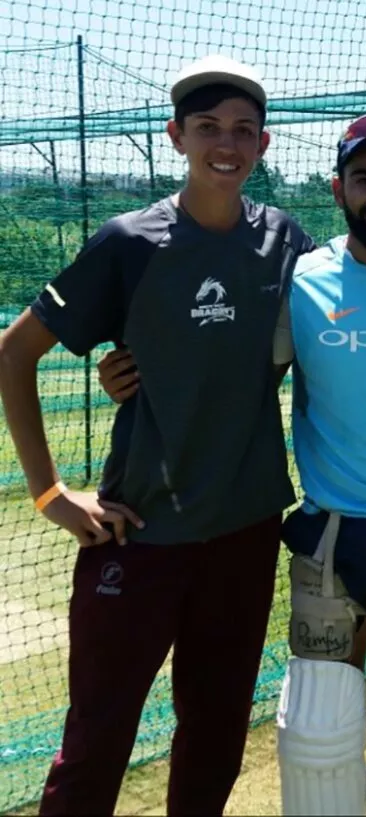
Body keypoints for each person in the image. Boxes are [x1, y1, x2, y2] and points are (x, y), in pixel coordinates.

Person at [100, 113, 366, 816]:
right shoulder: (302, 277)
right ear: (338, 189)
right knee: (318, 730)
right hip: (332, 530)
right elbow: (230, 369)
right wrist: (136, 368)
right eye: (365, 179)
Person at [0, 54, 315, 816]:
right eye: (208, 127)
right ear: (176, 135)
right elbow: (14, 354)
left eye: (244, 130)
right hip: (136, 537)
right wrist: (49, 493)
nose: (226, 144)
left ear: (265, 146)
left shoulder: (286, 241)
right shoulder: (129, 242)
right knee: (97, 741)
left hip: (243, 532)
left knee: (213, 742)